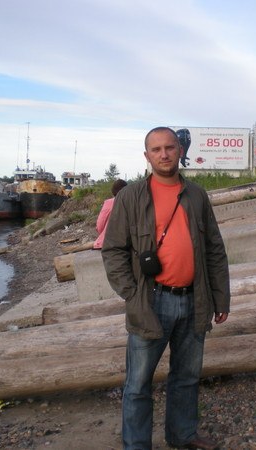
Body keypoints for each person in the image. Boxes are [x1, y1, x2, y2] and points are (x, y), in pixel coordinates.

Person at [101, 126, 230, 450]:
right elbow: (113, 250)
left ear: (180, 151)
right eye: (156, 149)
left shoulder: (197, 195)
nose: (164, 154)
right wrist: (132, 294)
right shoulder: (131, 196)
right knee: (138, 384)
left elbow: (214, 249)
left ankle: (182, 435)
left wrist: (220, 297)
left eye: (170, 147)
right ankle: (136, 445)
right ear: (147, 156)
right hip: (151, 301)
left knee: (186, 376)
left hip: (195, 300)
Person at [93, 179, 127, 249]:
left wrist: (103, 234)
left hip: (106, 243)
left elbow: (100, 225)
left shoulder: (109, 203)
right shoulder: (132, 203)